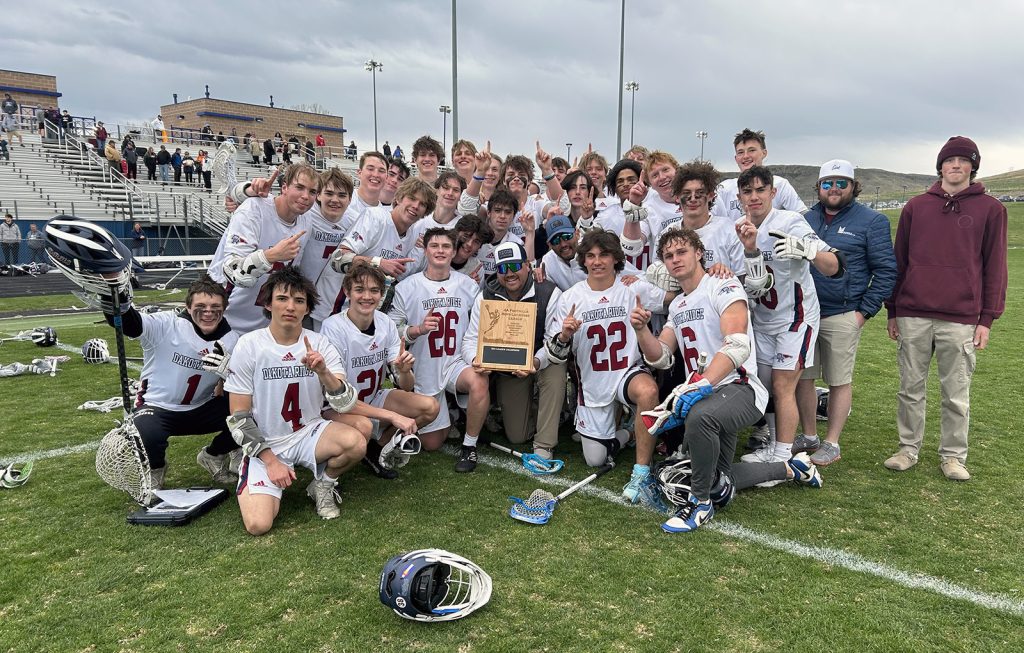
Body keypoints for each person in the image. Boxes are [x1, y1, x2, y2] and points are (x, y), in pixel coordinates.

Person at [633, 227, 820, 533]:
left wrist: (702, 384)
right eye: (668, 256)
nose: (675, 259)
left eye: (681, 252)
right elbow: (662, 357)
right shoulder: (678, 304)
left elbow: (737, 344)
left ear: (698, 254)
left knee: (699, 418)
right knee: (720, 477)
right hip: (709, 393)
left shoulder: (722, 284)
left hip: (740, 388)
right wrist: (642, 331)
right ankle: (793, 468)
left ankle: (699, 503)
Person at [884, 137, 1007, 481]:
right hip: (913, 312)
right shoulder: (916, 207)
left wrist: (987, 319)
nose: (955, 165)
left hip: (961, 316)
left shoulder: (991, 209)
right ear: (940, 166)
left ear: (972, 167)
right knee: (910, 387)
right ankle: (908, 449)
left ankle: (953, 456)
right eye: (949, 160)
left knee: (955, 392)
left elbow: (995, 267)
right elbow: (900, 261)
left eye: (963, 160)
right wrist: (893, 309)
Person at [224, 267, 366, 532]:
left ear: (307, 309)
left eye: (299, 300)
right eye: (282, 298)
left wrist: (324, 372)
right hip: (267, 441)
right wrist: (270, 460)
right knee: (258, 525)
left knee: (356, 442)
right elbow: (238, 417)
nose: (290, 306)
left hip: (308, 432)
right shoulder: (250, 344)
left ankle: (323, 484)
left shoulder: (319, 343)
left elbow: (344, 404)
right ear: (268, 303)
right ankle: (251, 468)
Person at [733, 166, 843, 475]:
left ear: (772, 192)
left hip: (795, 318)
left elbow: (834, 265)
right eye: (748, 191)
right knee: (766, 385)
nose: (754, 197)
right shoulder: (739, 227)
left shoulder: (790, 222)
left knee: (783, 385)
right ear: (740, 197)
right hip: (763, 319)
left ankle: (782, 457)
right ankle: (775, 443)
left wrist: (807, 250)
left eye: (760, 190)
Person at [792, 160, 896, 467]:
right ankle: (809, 435)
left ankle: (832, 442)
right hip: (806, 312)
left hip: (843, 313)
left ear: (853, 186)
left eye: (841, 183)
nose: (833, 189)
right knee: (804, 378)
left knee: (839, 380)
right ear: (818, 187)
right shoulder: (804, 219)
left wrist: (864, 312)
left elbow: (886, 270)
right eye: (827, 183)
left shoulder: (872, 220)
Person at [546, 231, 665, 498]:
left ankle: (641, 472)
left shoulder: (633, 288)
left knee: (648, 391)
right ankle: (628, 434)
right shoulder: (570, 298)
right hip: (592, 383)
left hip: (626, 372)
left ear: (616, 259)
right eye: (590, 256)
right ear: (583, 261)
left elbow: (676, 298)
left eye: (604, 255)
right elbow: (554, 353)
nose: (597, 261)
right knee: (596, 459)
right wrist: (565, 335)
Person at [103, 276, 242, 489]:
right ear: (187, 306)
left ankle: (214, 455)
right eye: (201, 306)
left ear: (224, 308)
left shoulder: (232, 339)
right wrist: (112, 292)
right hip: (158, 408)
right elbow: (129, 323)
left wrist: (230, 373)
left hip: (201, 407)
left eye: (215, 307)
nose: (208, 312)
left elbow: (246, 384)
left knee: (255, 411)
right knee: (143, 432)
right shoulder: (166, 324)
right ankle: (155, 468)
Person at [321, 262, 439, 478]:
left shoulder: (385, 323)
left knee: (430, 406)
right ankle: (332, 471)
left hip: (372, 395)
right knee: (363, 425)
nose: (367, 296)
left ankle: (376, 449)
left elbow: (406, 386)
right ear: (347, 292)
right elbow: (341, 398)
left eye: (374, 290)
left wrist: (404, 371)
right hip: (336, 406)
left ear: (382, 294)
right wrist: (394, 416)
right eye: (360, 289)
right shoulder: (333, 327)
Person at [388, 228, 488, 472]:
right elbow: (391, 330)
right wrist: (417, 329)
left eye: (446, 246)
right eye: (434, 246)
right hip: (424, 365)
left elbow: (480, 325)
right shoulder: (407, 287)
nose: (440, 251)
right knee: (433, 443)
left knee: (479, 380)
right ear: (426, 250)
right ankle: (450, 413)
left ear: (454, 251)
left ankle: (469, 445)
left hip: (455, 361)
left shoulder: (468, 285)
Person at [463, 242, 566, 459]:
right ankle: (549, 409)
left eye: (515, 266)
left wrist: (535, 363)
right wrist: (475, 358)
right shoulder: (486, 295)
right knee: (517, 436)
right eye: (503, 268)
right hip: (511, 366)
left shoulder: (548, 292)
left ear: (527, 265)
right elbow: (470, 339)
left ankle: (545, 443)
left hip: (542, 360)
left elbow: (553, 339)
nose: (509, 274)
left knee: (556, 367)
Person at [333, 177, 435, 282]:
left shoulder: (415, 237)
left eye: (422, 204)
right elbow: (338, 259)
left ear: (425, 212)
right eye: (412, 198)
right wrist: (378, 263)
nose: (415, 206)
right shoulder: (375, 217)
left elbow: (400, 277)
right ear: (399, 198)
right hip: (342, 294)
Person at [296, 168, 355, 329]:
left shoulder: (355, 221)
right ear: (318, 195)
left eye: (342, 195)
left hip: (329, 303)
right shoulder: (305, 214)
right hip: (299, 295)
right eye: (329, 193)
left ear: (350, 199)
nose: (335, 200)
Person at [713, 128, 806, 221]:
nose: (745, 156)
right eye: (740, 152)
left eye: (751, 150)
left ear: (764, 153)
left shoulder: (781, 185)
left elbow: (803, 216)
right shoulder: (723, 189)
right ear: (736, 158)